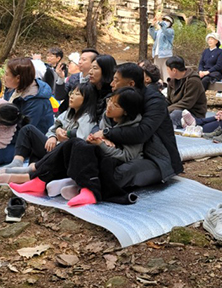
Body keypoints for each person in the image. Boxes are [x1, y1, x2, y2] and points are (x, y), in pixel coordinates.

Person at [11, 87, 144, 207]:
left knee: (77, 144)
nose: (109, 106)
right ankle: (40, 181)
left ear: (126, 111)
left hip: (111, 160)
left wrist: (101, 144)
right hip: (92, 152)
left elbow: (127, 156)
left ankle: (89, 190)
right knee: (73, 143)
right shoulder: (106, 117)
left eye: (115, 105)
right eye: (110, 101)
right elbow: (56, 128)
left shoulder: (135, 129)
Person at [93, 61, 183, 190]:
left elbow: (142, 133)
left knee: (120, 173)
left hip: (154, 158)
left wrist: (107, 133)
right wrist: (100, 136)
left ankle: (89, 187)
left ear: (131, 84)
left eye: (116, 81)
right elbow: (98, 123)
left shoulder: (155, 102)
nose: (112, 85)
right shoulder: (115, 98)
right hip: (121, 150)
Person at [0, 81, 98, 176]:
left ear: (86, 99)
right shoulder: (68, 113)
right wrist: (53, 136)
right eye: (71, 93)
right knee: (28, 130)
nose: (71, 96)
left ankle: (31, 170)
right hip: (54, 147)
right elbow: (52, 128)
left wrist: (65, 136)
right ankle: (17, 162)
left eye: (77, 94)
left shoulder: (87, 118)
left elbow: (80, 142)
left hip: (63, 155)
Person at [3, 58, 54, 135]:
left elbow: (23, 131)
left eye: (6, 74)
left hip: (29, 142)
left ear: (18, 78)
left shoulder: (35, 100)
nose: (3, 77)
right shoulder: (13, 89)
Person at [167, 56, 207, 128]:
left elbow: (186, 103)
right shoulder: (172, 81)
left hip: (193, 113)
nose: (166, 71)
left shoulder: (193, 81)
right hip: (175, 109)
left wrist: (166, 110)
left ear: (174, 70)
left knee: (173, 115)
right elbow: (168, 100)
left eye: (167, 69)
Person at [149, 15, 175, 82]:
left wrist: (160, 22)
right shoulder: (159, 31)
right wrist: (152, 25)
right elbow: (153, 35)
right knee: (157, 72)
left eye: (167, 21)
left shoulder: (170, 31)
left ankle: (167, 87)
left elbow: (165, 31)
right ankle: (159, 86)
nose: (165, 22)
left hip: (165, 55)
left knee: (165, 72)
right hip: (157, 54)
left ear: (171, 23)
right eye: (164, 20)